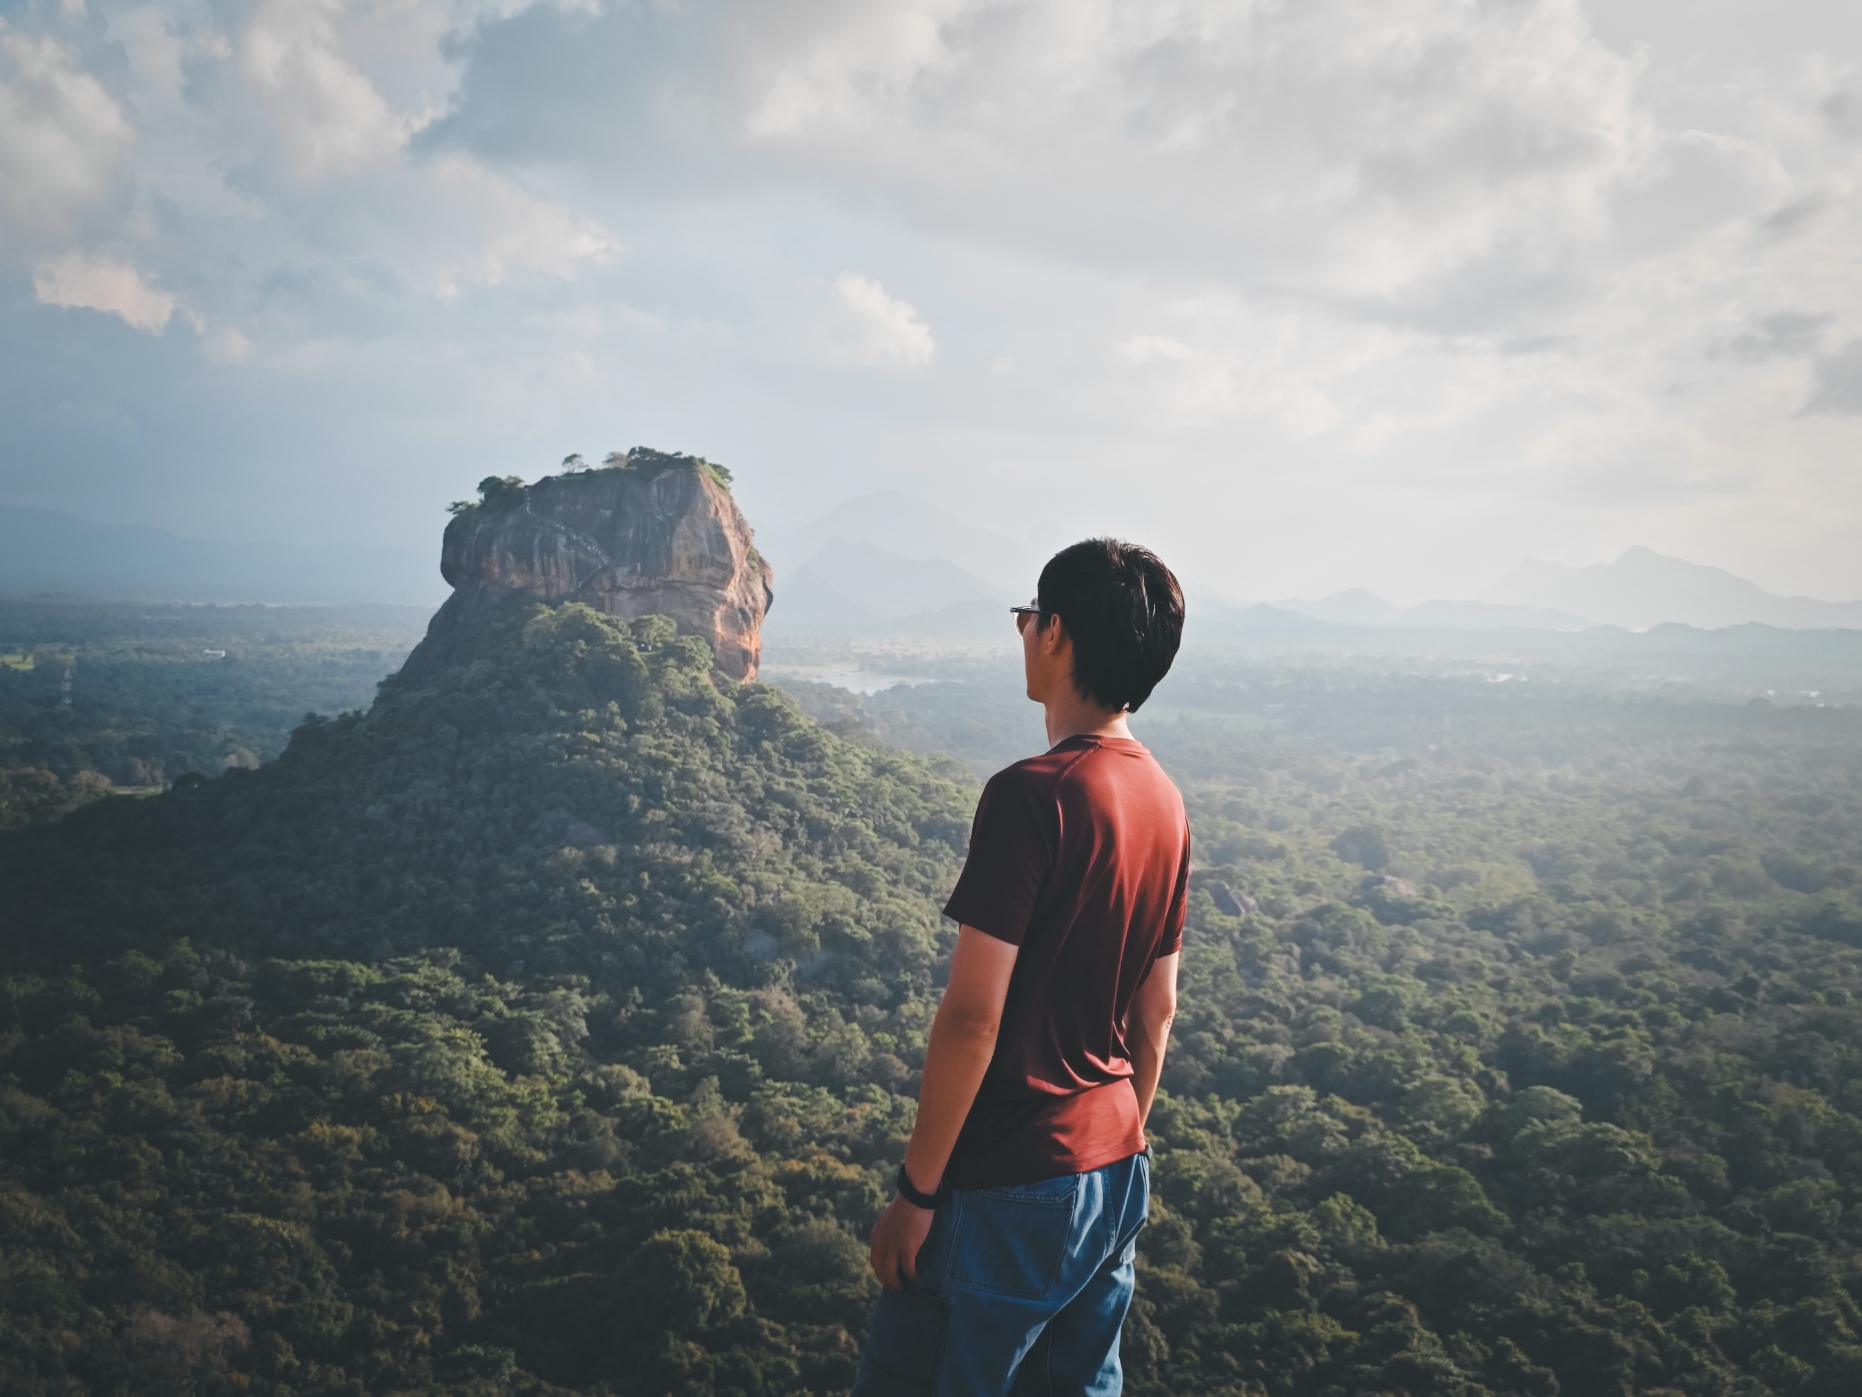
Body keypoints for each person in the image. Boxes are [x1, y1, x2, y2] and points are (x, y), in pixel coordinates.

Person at [852, 538, 1190, 1397]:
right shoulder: (1165, 798)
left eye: (1029, 615)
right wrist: (1113, 1144)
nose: (1024, 630)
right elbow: (1156, 1010)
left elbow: (973, 1016)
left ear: (1057, 635)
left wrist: (915, 1192)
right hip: (1115, 1167)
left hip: (1007, 1180)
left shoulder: (1032, 793)